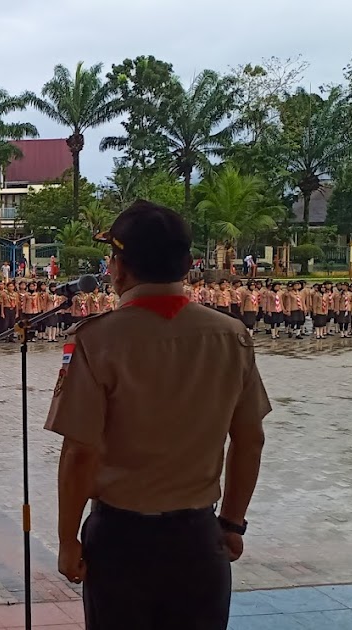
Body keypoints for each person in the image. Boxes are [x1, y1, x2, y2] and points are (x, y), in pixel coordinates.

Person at [45, 200, 270, 630]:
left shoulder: (97, 341)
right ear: (187, 265)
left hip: (121, 543)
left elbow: (80, 452)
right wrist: (232, 523)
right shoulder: (231, 337)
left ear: (118, 267)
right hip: (199, 541)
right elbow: (250, 439)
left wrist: (67, 539)